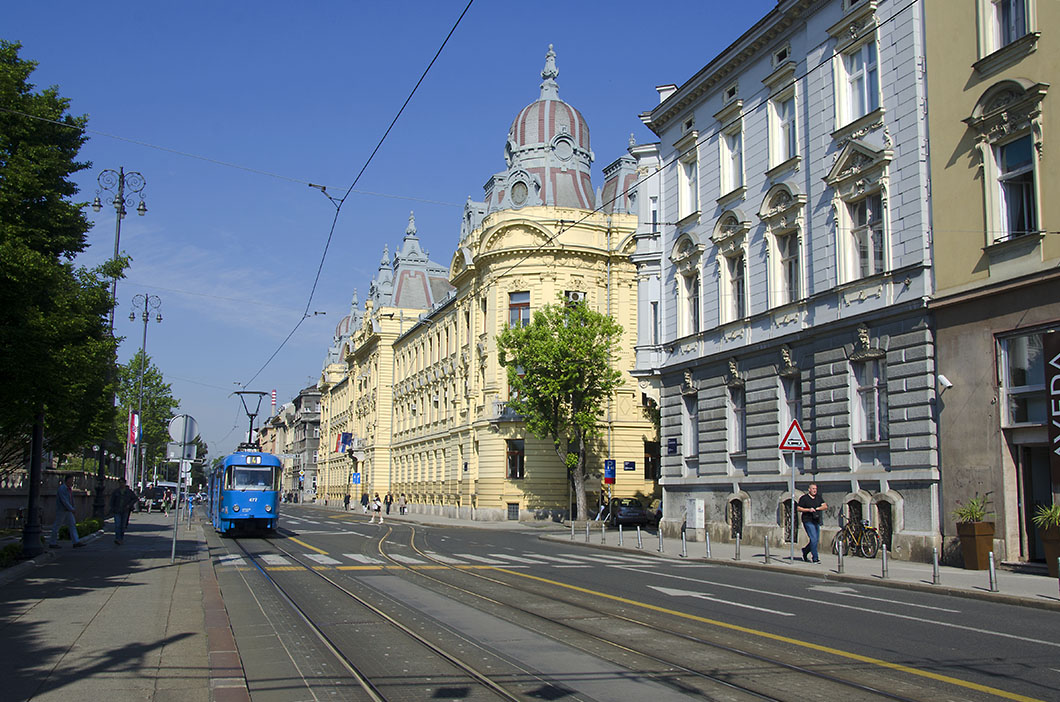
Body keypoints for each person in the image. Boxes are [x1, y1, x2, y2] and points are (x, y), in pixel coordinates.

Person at [48, 475, 83, 548]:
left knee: (72, 525)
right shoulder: (62, 489)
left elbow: (70, 499)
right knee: (57, 526)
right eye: (71, 480)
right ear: (67, 480)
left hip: (68, 511)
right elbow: (64, 500)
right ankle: (52, 542)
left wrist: (72, 507)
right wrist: (71, 508)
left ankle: (76, 541)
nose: (72, 481)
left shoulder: (69, 489)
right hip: (62, 510)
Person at [798, 483, 828, 563]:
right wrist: (808, 510)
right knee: (813, 538)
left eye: (815, 489)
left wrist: (818, 508)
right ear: (809, 489)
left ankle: (805, 550)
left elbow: (825, 506)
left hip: (816, 520)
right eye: (813, 489)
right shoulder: (804, 498)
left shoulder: (818, 498)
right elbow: (799, 508)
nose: (814, 490)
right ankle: (815, 558)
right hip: (807, 520)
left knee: (815, 540)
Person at [109, 478, 139, 545]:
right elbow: (112, 501)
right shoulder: (116, 492)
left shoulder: (128, 492)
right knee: (117, 525)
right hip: (117, 510)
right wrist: (112, 508)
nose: (121, 484)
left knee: (123, 526)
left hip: (125, 510)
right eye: (120, 483)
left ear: (125, 483)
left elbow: (135, 498)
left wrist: (129, 505)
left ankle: (121, 538)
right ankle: (117, 538)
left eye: (122, 483)